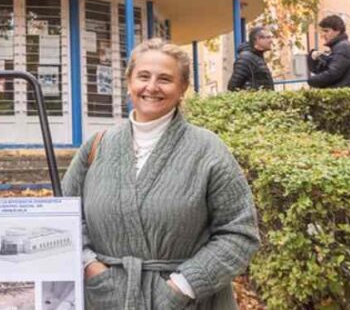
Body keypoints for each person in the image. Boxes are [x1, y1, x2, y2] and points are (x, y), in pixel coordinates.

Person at [63, 38, 260, 309]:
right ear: (129, 82)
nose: (152, 87)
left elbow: (239, 232)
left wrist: (184, 285)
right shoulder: (97, 145)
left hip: (186, 302)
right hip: (106, 297)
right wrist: (90, 267)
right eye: (143, 76)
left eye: (165, 79)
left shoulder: (207, 149)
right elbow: (66, 218)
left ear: (182, 88)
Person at [306, 15, 350, 89]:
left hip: (340, 96)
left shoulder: (343, 47)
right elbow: (321, 71)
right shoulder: (337, 47)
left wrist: (311, 80)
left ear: (337, 31)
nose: (323, 35)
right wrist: (313, 59)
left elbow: (332, 74)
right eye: (322, 31)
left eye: (326, 31)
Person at [227, 26, 275, 91]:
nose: (271, 41)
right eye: (268, 37)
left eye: (272, 37)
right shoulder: (245, 58)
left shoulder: (257, 56)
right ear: (257, 39)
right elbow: (232, 86)